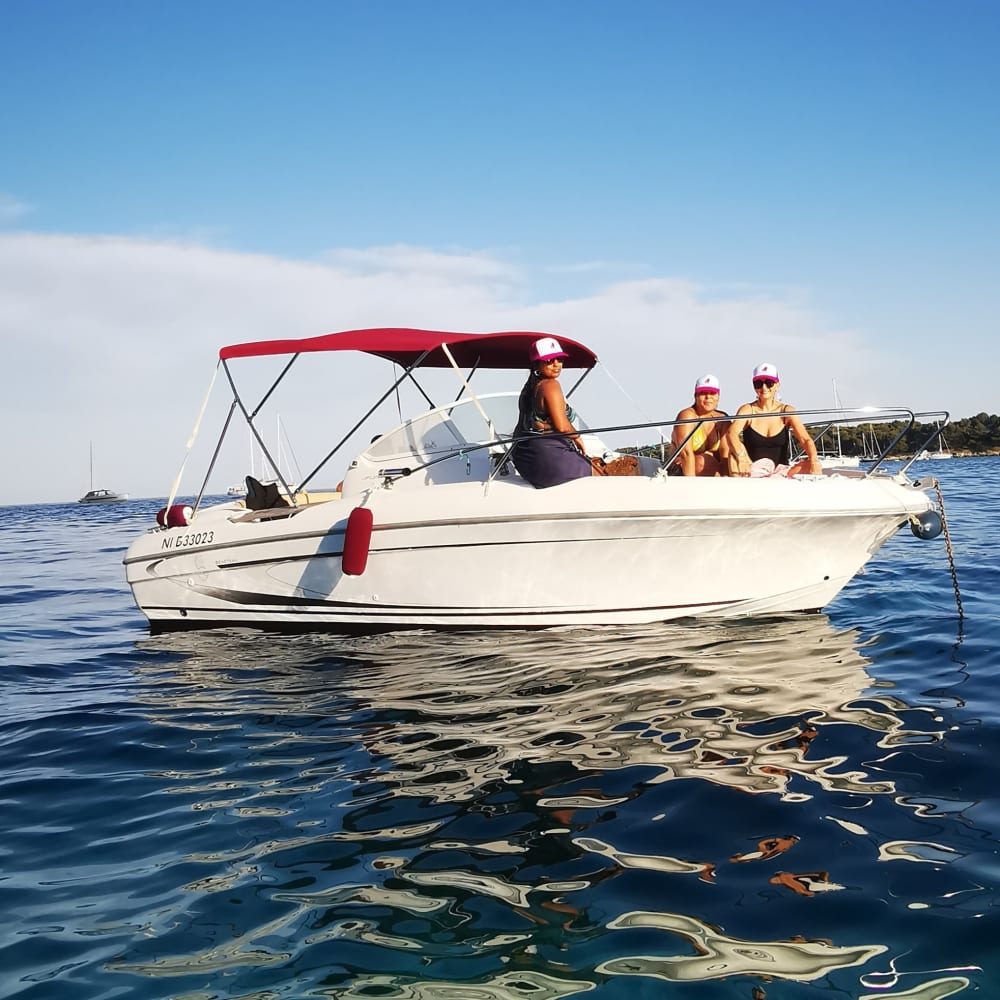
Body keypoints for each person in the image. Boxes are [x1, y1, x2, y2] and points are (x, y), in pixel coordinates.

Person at [511, 337, 638, 487]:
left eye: (559, 359)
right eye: (549, 360)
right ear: (536, 364)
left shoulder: (528, 389)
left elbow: (521, 428)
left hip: (526, 460)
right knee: (624, 470)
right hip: (550, 459)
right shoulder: (551, 385)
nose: (556, 364)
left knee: (598, 464)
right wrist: (577, 437)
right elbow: (562, 427)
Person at [726, 363, 822, 477]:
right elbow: (731, 433)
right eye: (758, 384)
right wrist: (741, 457)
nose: (764, 388)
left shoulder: (786, 411)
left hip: (781, 471)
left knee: (811, 464)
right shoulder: (748, 410)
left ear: (777, 385)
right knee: (732, 457)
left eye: (769, 383)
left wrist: (814, 460)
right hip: (751, 471)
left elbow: (805, 439)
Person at [671, 374, 731, 476]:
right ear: (695, 396)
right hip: (682, 471)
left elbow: (726, 455)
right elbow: (686, 454)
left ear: (718, 396)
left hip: (714, 474)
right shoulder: (687, 416)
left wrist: (726, 481)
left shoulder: (723, 419)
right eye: (703, 393)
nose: (708, 397)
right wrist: (691, 485)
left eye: (712, 393)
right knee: (703, 462)